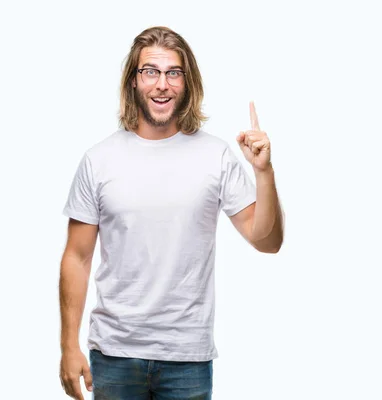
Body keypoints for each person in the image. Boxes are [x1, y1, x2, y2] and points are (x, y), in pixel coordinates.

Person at [58, 26, 284, 400]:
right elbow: (76, 257)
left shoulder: (216, 156)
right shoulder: (99, 159)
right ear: (134, 81)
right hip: (115, 355)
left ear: (187, 82)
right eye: (151, 71)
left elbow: (268, 241)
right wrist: (68, 347)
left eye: (173, 73)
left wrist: (264, 172)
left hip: (187, 360)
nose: (161, 84)